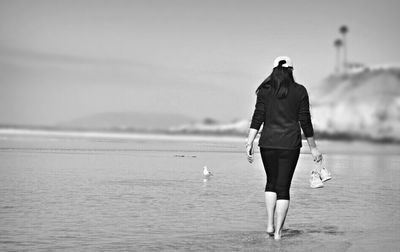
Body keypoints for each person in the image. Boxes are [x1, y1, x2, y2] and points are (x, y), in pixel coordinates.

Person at [245, 56, 326, 240]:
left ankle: (269, 225)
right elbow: (305, 121)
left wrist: (249, 141)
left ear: (274, 70)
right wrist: (314, 148)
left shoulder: (265, 90)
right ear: (291, 70)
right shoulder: (300, 91)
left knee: (271, 183)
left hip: (268, 143)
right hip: (290, 144)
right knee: (284, 188)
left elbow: (258, 116)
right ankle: (279, 234)